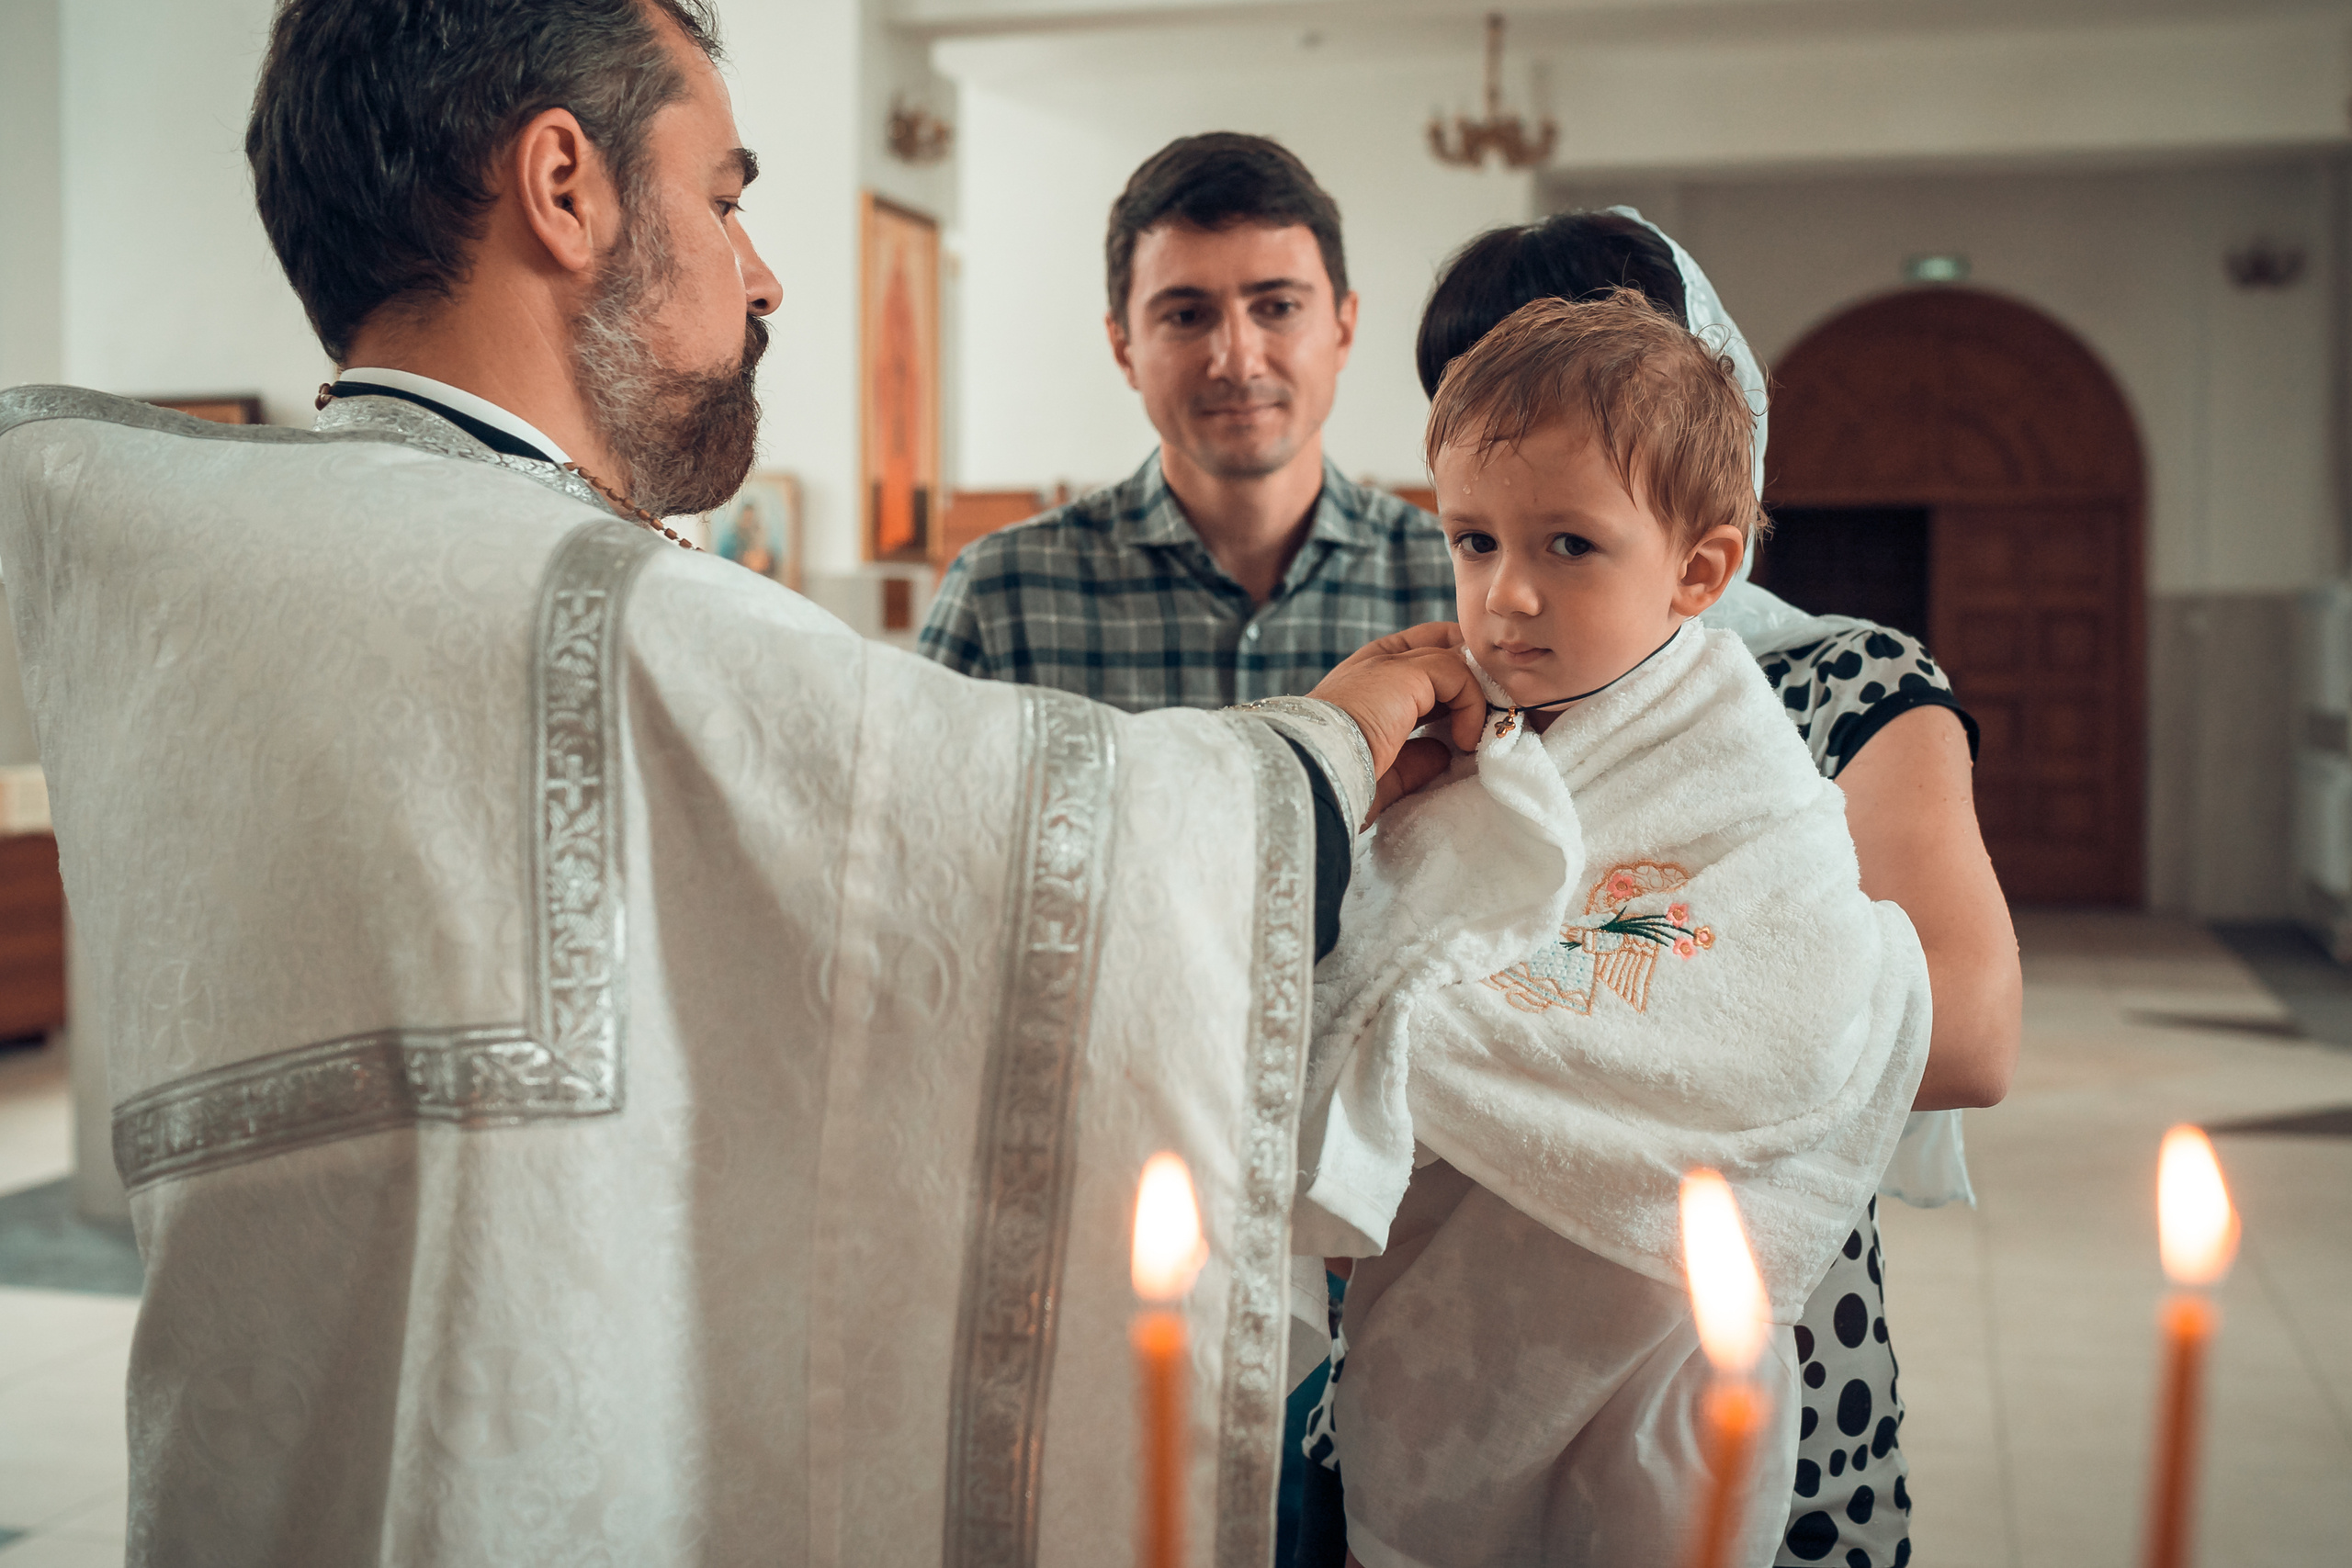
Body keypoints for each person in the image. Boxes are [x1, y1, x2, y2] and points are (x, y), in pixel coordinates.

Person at [0, 4, 1489, 1562]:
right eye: (723, 197)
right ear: (564, 187)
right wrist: (1340, 733)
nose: (762, 270)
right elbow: (1057, 850)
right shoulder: (601, 611)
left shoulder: (224, 578)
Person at [1291, 210, 2021, 1568]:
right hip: (1443, 1333)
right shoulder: (1472, 681)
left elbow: (1937, 1017)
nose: (1509, 583)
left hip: (1730, 1339)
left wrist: (1436, 1042)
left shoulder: (1832, 683)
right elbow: (1367, 939)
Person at [917, 133, 1454, 711]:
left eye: (1278, 308)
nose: (1238, 361)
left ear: (1343, 329)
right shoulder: (1001, 597)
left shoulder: (1453, 583)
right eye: (1187, 315)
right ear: (1124, 348)